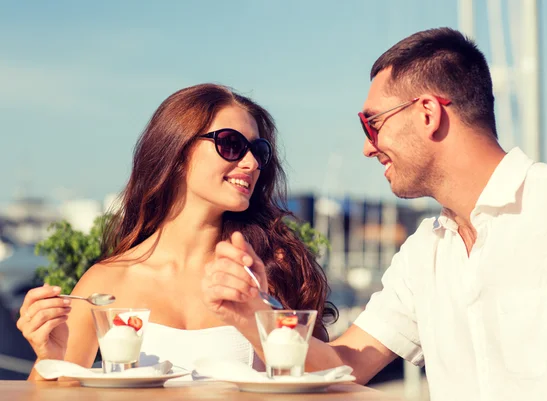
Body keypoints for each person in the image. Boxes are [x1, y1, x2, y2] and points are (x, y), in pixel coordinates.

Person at [199, 28, 547, 400]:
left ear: (427, 113)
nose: (367, 147)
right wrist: (254, 313)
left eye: (371, 124)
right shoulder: (425, 252)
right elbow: (345, 366)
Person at [16, 83, 336, 381]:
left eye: (259, 151)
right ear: (178, 151)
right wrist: (50, 358)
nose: (252, 162)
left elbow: (328, 382)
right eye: (231, 144)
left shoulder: (269, 268)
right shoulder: (107, 282)